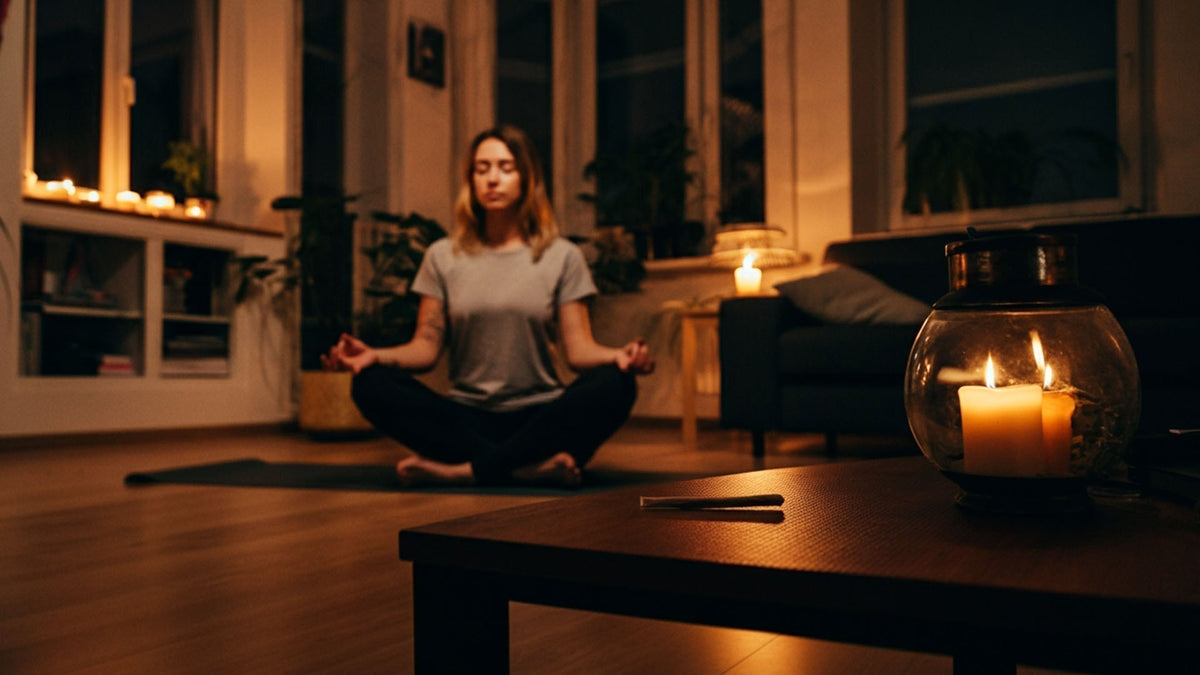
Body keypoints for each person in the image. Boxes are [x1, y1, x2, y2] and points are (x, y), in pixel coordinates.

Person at [323, 125, 655, 487]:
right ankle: (524, 467)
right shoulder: (442, 256)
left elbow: (579, 351)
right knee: (369, 385)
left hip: (540, 416)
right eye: (482, 169)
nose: (492, 180)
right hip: (466, 418)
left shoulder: (562, 257)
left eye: (505, 168)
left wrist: (619, 357)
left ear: (527, 178)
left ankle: (467, 471)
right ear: (471, 180)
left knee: (616, 384)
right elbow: (425, 347)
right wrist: (374, 356)